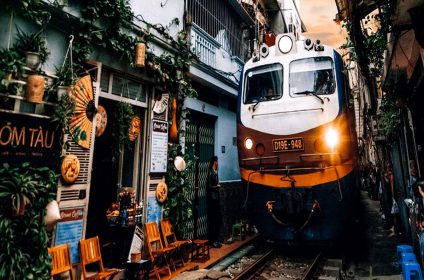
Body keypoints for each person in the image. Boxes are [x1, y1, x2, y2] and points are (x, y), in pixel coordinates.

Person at [207, 156, 222, 248]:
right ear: (214, 162)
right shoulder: (210, 173)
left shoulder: (215, 172)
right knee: (213, 220)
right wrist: (217, 186)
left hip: (216, 198)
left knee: (217, 220)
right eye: (217, 161)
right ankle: (213, 241)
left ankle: (215, 240)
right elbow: (209, 187)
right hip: (212, 199)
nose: (218, 163)